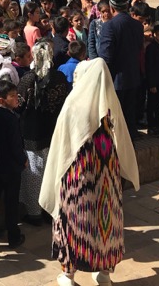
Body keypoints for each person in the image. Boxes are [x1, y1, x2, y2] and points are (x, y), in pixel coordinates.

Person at [40, 57, 140, 286]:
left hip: (78, 177)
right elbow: (121, 140)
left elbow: (61, 144)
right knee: (106, 221)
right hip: (107, 176)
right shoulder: (109, 106)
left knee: (74, 221)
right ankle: (104, 272)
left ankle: (68, 274)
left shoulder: (73, 105)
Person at [17, 39, 70, 225]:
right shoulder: (59, 78)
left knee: (33, 173)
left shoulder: (28, 78)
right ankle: (50, 209)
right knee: (52, 171)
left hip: (32, 132)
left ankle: (34, 213)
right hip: (54, 131)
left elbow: (18, 103)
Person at [0, 79, 27, 248]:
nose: (16, 98)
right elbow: (15, 145)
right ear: (1, 100)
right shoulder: (10, 119)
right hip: (11, 167)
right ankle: (14, 236)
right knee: (11, 202)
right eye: (12, 96)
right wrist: (23, 160)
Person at [97, 0, 144, 136]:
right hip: (133, 76)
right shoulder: (137, 25)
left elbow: (106, 56)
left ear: (111, 7)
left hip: (116, 79)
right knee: (129, 116)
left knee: (116, 119)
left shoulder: (109, 26)